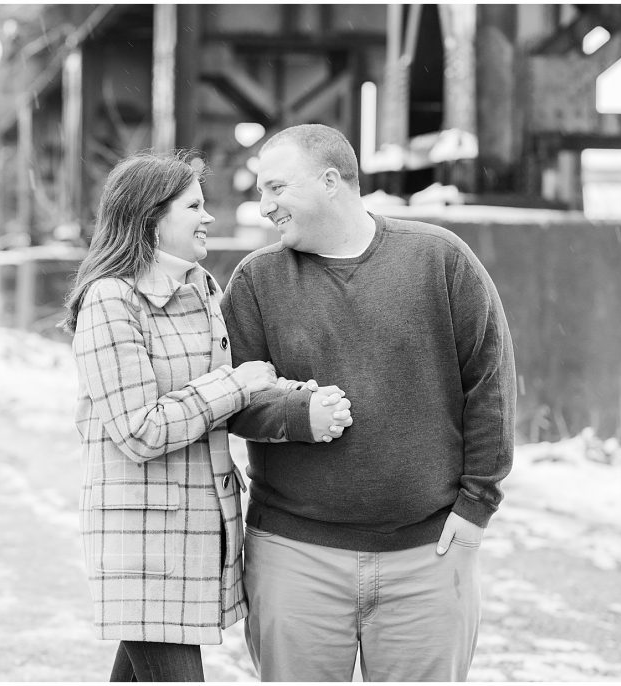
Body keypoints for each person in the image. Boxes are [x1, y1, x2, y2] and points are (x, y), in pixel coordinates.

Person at [220, 124, 516, 682]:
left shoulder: (440, 259)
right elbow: (235, 401)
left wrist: (477, 505)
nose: (264, 207)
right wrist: (295, 416)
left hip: (427, 556)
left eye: (276, 188)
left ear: (331, 181)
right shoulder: (257, 281)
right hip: (294, 553)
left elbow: (490, 383)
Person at [61, 150, 353, 682]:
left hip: (197, 531)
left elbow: (234, 381)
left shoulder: (199, 289)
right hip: (147, 541)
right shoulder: (111, 300)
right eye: (194, 205)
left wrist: (286, 394)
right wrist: (237, 383)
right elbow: (139, 429)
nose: (209, 216)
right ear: (151, 216)